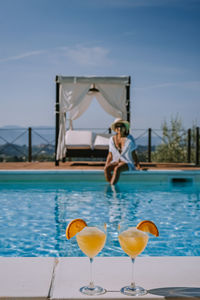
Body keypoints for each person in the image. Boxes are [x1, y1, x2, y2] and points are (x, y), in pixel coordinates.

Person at [104, 118, 140, 185]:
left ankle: (112, 188)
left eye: (121, 126)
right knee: (106, 169)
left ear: (125, 128)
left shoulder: (130, 139)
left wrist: (138, 166)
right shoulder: (112, 139)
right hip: (116, 161)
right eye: (117, 126)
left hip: (127, 163)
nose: (119, 128)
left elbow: (134, 153)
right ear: (115, 128)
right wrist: (107, 164)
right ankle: (112, 186)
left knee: (117, 169)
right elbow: (110, 154)